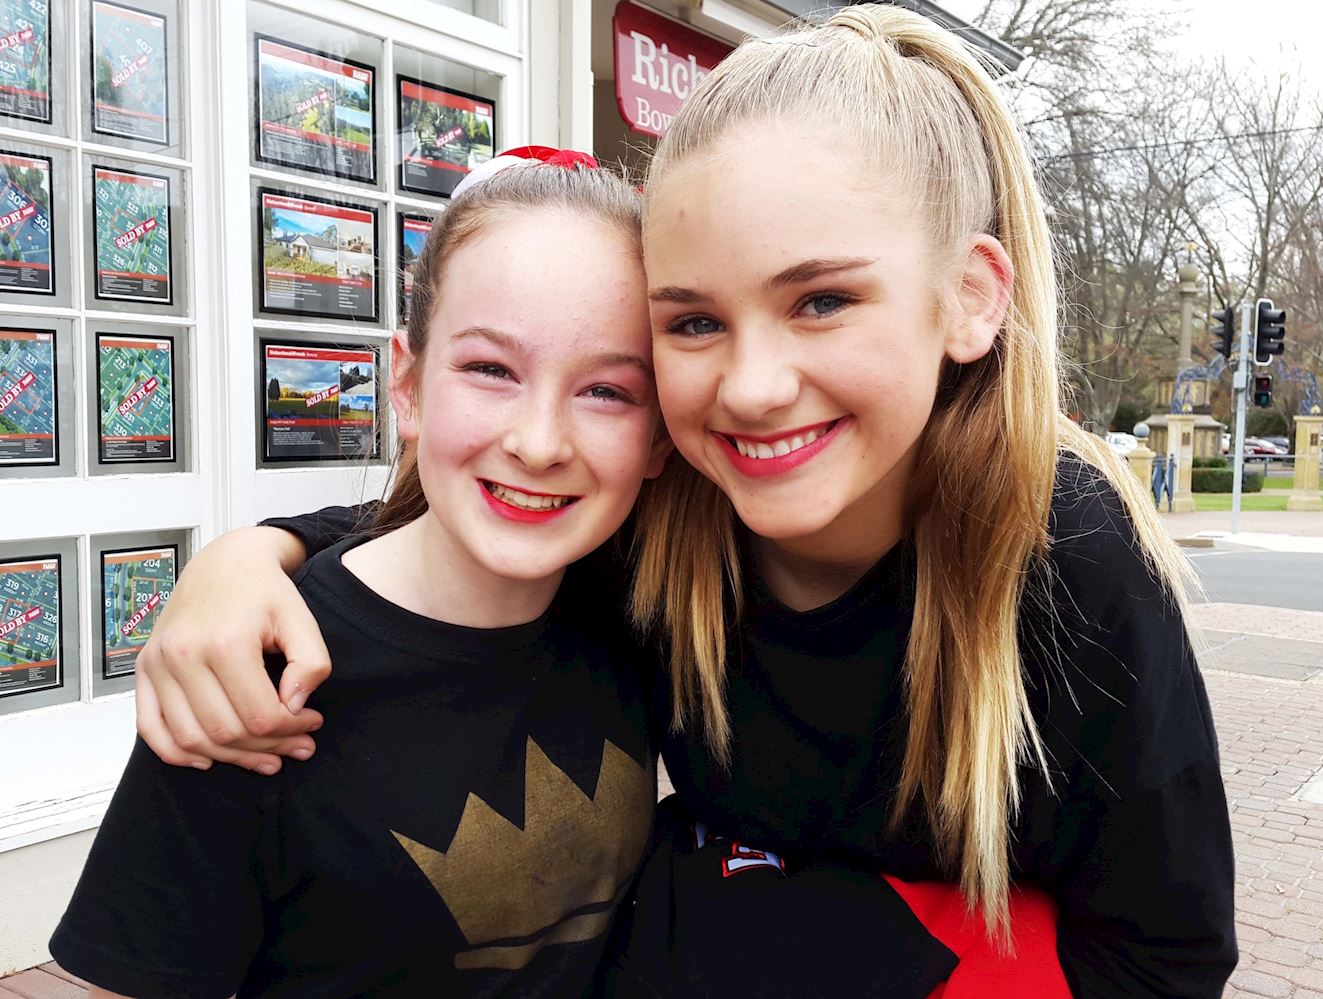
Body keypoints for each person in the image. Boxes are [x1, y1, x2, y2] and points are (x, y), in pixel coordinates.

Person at [124, 7, 1237, 995]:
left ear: (969, 298)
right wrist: (248, 558)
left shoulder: (1064, 556)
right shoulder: (678, 517)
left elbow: (1166, 957)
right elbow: (487, 512)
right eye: (694, 321)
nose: (750, 387)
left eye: (822, 301)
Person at [49, 153, 674, 997]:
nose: (539, 442)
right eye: (491, 369)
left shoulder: (638, 613)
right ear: (407, 384)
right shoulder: (254, 674)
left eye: (606, 391)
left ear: (659, 436)